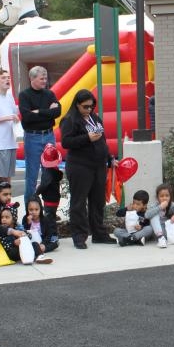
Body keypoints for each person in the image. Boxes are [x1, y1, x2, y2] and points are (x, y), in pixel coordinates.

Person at [59, 89, 114, 249]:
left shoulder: (95, 118)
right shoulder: (70, 120)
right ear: (77, 105)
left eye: (91, 106)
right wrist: (87, 138)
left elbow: (102, 140)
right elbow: (66, 142)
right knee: (79, 202)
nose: (89, 109)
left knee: (98, 201)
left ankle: (98, 233)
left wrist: (110, 158)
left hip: (98, 165)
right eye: (85, 107)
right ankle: (79, 236)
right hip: (80, 166)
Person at [18, 66, 61, 200]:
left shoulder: (49, 94)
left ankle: (49, 209)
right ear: (32, 78)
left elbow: (58, 112)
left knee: (50, 173)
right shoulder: (24, 95)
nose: (44, 81)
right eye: (41, 78)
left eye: (45, 78)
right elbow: (27, 117)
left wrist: (39, 111)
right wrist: (48, 112)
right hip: (32, 137)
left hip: (49, 135)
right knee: (32, 175)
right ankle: (30, 212)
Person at [37, 144, 64, 222]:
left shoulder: (47, 173)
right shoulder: (57, 171)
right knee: (52, 215)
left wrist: (36, 193)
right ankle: (53, 227)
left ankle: (52, 233)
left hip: (48, 201)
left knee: (49, 219)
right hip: (56, 199)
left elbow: (43, 185)